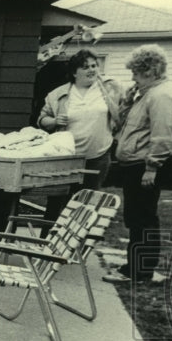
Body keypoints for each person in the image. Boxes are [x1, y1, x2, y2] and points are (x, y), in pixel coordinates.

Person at [102, 44, 172, 284]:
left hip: (144, 165)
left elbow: (162, 135)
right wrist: (128, 100)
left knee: (143, 217)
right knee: (137, 217)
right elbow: (126, 124)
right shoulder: (147, 93)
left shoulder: (162, 95)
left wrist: (152, 167)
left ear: (150, 71)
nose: (132, 77)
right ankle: (136, 267)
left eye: (136, 73)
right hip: (136, 163)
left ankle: (139, 272)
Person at [38, 49, 124, 217]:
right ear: (74, 72)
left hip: (98, 157)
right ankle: (47, 241)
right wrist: (54, 121)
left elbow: (125, 112)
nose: (92, 70)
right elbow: (42, 119)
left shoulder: (110, 89)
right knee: (58, 204)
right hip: (66, 159)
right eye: (85, 67)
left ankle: (79, 243)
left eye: (94, 65)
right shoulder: (58, 94)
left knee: (88, 206)